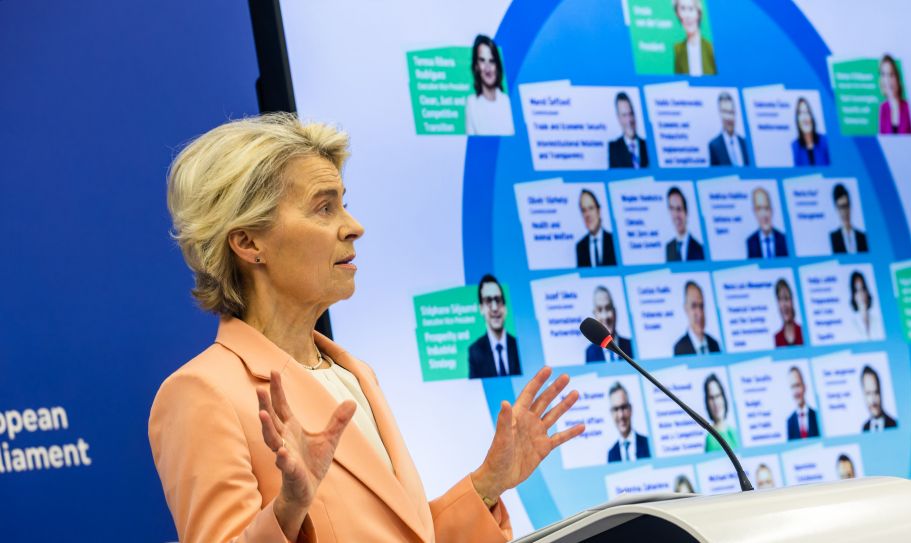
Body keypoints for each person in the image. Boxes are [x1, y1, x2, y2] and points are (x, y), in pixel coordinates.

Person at [149, 114, 586, 543]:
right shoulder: (202, 393)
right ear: (248, 243)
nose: (354, 227)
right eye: (324, 207)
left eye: (344, 202)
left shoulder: (354, 374)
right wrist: (288, 510)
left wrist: (488, 482)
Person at [468, 274, 523, 379]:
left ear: (505, 307)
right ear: (481, 308)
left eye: (498, 300)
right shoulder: (475, 351)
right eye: (488, 301)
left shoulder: (518, 345)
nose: (494, 308)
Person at [465, 35, 514, 136]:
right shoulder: (471, 103)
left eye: (491, 61)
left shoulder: (508, 102)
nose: (487, 68)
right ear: (476, 66)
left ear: (497, 66)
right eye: (482, 60)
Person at [586, 286, 634, 362]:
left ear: (615, 312)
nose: (605, 317)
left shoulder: (631, 346)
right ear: (594, 315)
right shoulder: (590, 352)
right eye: (599, 310)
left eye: (608, 308)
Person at [606, 382, 651, 463]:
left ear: (630, 409)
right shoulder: (611, 454)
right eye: (616, 409)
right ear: (611, 413)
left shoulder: (648, 443)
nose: (621, 415)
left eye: (623, 407)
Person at [673, 281, 721, 355]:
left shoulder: (715, 345)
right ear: (686, 309)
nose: (700, 313)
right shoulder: (679, 348)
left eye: (701, 306)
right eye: (694, 306)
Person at [672, 0, 716, 76]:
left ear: (698, 13)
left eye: (691, 9)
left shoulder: (711, 48)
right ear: (677, 14)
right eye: (683, 9)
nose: (687, 15)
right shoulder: (677, 50)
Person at [575, 189, 617, 267]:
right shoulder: (580, 247)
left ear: (599, 210)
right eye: (584, 210)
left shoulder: (614, 241)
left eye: (591, 208)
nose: (587, 215)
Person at [608, 92, 649, 169]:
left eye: (631, 114)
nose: (629, 120)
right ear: (618, 118)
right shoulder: (612, 149)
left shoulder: (648, 146)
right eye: (624, 115)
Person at [745, 187, 789, 259]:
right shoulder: (750, 242)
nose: (764, 214)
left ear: (772, 210)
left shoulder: (784, 240)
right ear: (754, 212)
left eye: (766, 208)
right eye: (759, 209)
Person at [708, 92, 749, 166]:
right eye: (725, 112)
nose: (728, 118)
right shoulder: (714, 145)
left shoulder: (745, 143)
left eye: (731, 112)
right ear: (720, 114)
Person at [665, 186, 705, 262]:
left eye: (679, 209)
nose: (676, 215)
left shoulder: (700, 250)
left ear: (686, 212)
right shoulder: (669, 248)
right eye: (672, 209)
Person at [878, 54, 911, 135]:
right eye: (884, 75)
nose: (888, 80)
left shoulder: (908, 107)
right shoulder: (883, 108)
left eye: (891, 75)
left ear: (897, 78)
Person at [703, 373, 738, 452]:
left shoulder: (734, 432)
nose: (715, 402)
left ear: (723, 397)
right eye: (711, 398)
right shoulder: (710, 439)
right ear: (707, 402)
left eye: (718, 395)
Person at [791, 97, 830, 166]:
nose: (805, 118)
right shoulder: (795, 146)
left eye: (807, 112)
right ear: (797, 120)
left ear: (811, 116)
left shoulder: (825, 141)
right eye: (801, 113)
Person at [829, 183, 868, 254]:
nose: (844, 212)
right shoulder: (833, 238)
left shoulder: (863, 237)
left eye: (846, 206)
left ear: (850, 206)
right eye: (841, 207)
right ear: (836, 209)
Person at [786, 366, 819, 440]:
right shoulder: (789, 422)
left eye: (797, 385)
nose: (796, 392)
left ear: (804, 386)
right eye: (792, 387)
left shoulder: (817, 417)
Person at [860, 365, 897, 432]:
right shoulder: (865, 428)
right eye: (868, 393)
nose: (873, 400)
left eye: (876, 392)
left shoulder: (893, 424)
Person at [850, 271, 883, 340]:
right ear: (853, 296)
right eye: (857, 290)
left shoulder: (877, 320)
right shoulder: (852, 323)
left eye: (862, 289)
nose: (861, 294)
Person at [774, 278, 803, 347]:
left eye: (786, 298)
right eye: (780, 299)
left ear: (792, 301)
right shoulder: (777, 338)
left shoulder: (803, 332)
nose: (784, 305)